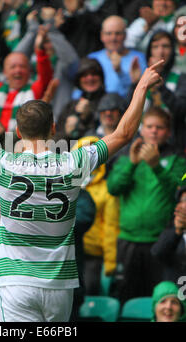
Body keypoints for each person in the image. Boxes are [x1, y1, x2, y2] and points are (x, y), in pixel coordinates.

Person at [0, 57, 163, 322]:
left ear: (19, 133)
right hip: (59, 284)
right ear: (54, 128)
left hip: (15, 282)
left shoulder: (1, 162)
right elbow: (124, 134)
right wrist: (141, 88)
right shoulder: (73, 162)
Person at [107, 106, 186, 304]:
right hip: (128, 241)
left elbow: (179, 192)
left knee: (158, 299)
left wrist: (157, 167)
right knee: (125, 299)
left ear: (168, 132)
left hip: (160, 243)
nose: (153, 131)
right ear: (141, 129)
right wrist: (132, 164)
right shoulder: (126, 157)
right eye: (149, 126)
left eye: (159, 127)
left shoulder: (179, 160)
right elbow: (113, 188)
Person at [72, 136, 120, 295]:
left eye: (92, 151)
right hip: (68, 252)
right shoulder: (62, 183)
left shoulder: (106, 189)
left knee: (88, 294)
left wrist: (110, 261)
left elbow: (110, 226)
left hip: (93, 256)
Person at [14, 8, 80, 120]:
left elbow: (72, 60)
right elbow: (14, 59)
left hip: (57, 126)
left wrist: (51, 28)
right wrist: (33, 31)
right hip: (29, 125)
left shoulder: (62, 66)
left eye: (48, 41)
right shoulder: (28, 67)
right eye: (42, 42)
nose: (44, 46)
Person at [128, 29, 186, 153]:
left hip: (173, 146)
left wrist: (161, 86)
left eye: (166, 46)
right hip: (141, 143)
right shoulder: (143, 77)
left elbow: (180, 110)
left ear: (173, 50)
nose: (161, 51)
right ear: (149, 51)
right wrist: (135, 84)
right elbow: (128, 112)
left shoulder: (181, 77)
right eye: (155, 47)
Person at [88, 15, 147, 97]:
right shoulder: (92, 59)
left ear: (125, 35)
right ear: (102, 36)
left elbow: (142, 91)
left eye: (118, 33)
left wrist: (119, 71)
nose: (113, 38)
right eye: (109, 33)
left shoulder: (139, 58)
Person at [56, 58, 106, 142]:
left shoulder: (111, 101)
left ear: (101, 77)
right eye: (84, 75)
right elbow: (57, 141)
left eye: (94, 74)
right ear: (78, 80)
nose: (90, 78)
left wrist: (86, 118)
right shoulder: (70, 106)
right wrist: (67, 133)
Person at [151, 184, 186, 282]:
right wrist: (177, 231)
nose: (182, 206)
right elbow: (158, 253)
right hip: (176, 292)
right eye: (181, 201)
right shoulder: (172, 231)